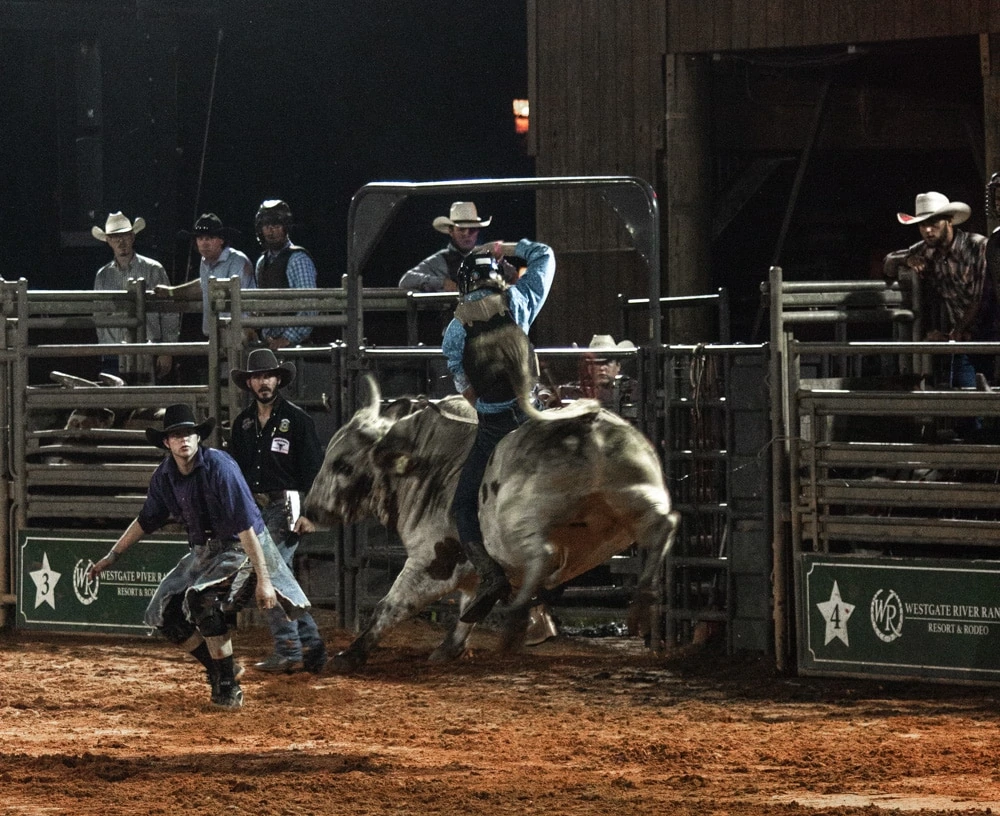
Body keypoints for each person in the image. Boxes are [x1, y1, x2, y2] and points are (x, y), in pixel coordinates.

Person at [87, 404, 312, 709]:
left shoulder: (220, 467)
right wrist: (113, 556)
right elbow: (147, 519)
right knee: (163, 613)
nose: (185, 440)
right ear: (167, 442)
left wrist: (265, 578)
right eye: (177, 435)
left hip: (241, 547)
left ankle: (227, 686)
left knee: (202, 600)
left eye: (190, 434)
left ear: (198, 437)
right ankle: (223, 668)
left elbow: (246, 526)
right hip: (204, 551)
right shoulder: (165, 476)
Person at [443, 238, 556, 623]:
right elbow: (545, 255)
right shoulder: (520, 301)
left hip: (494, 426)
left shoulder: (456, 329)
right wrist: (506, 248)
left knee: (463, 505)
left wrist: (487, 410)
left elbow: (463, 382)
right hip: (532, 417)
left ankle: (490, 574)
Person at [228, 348, 327, 674]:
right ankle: (311, 645)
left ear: (278, 379)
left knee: (266, 573)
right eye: (257, 377)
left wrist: (311, 513)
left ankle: (289, 648)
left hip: (287, 504)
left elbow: (315, 470)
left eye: (268, 376)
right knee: (275, 575)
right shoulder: (242, 424)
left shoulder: (297, 420)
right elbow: (237, 473)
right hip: (255, 507)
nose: (263, 382)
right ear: (250, 383)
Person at [884, 192, 997, 391]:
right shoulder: (927, 250)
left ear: (949, 221)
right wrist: (906, 260)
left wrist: (955, 332)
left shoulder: (977, 246)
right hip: (966, 340)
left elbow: (980, 297)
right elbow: (888, 263)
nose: (928, 230)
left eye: (934, 223)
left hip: (992, 334)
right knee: (965, 404)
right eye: (922, 225)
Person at [92, 211, 180, 381]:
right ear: (109, 241)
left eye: (124, 235)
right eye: (115, 237)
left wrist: (167, 350)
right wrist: (104, 349)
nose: (121, 241)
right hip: (114, 352)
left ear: (132, 237)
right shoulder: (102, 275)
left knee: (150, 403)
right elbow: (99, 316)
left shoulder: (154, 269)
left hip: (149, 348)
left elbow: (169, 311)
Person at [157, 213, 255, 337]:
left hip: (238, 333)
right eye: (200, 238)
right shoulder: (205, 262)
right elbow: (204, 285)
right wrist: (172, 292)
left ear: (221, 240)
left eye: (209, 238)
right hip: (216, 334)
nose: (204, 243)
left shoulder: (238, 261)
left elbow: (232, 296)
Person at [253, 199, 318, 349]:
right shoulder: (262, 263)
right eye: (266, 226)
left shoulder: (298, 259)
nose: (271, 231)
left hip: (296, 347)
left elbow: (309, 306)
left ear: (285, 227)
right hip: (270, 343)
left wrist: (287, 339)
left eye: (276, 225)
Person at [398, 201, 492, 292]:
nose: (467, 234)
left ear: (477, 232)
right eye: (461, 229)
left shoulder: (486, 257)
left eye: (472, 230)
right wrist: (442, 283)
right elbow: (406, 280)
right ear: (451, 231)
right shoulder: (438, 261)